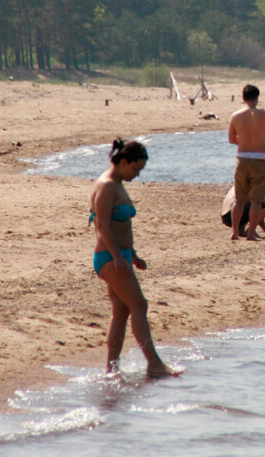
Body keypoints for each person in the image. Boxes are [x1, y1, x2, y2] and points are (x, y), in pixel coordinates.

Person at [89, 138, 179, 378]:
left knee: (121, 311)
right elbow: (103, 226)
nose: (137, 175)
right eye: (135, 169)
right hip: (109, 256)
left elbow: (123, 228)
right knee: (139, 304)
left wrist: (133, 255)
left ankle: (111, 368)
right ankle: (154, 363)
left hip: (121, 256)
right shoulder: (106, 185)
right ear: (123, 162)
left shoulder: (118, 182)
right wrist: (119, 258)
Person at [228, 84, 265, 241]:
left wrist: (245, 142)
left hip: (242, 159)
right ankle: (250, 234)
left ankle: (235, 232)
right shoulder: (264, 115)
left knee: (239, 200)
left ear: (243, 98)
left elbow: (232, 139)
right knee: (257, 200)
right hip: (260, 159)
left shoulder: (235, 116)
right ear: (257, 98)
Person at [221, 174, 265, 239]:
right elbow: (258, 214)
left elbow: (257, 215)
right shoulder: (259, 185)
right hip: (230, 215)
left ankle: (241, 230)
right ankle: (251, 231)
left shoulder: (249, 181)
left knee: (248, 203)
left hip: (226, 215)